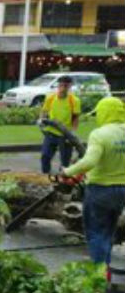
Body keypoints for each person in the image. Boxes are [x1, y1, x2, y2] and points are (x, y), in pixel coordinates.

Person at [62, 97, 125, 264]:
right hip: (122, 189)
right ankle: (107, 268)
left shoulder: (99, 134)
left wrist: (68, 172)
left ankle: (100, 273)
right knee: (109, 230)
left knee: (96, 231)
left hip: (100, 188)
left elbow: (90, 162)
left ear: (104, 113)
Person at [39, 76, 81, 174]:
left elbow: (75, 117)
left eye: (65, 86)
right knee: (45, 156)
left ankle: (63, 180)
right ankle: (45, 175)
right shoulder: (51, 98)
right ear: (58, 86)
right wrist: (41, 119)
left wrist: (73, 132)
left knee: (65, 161)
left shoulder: (74, 100)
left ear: (69, 87)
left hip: (65, 134)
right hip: (51, 132)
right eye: (61, 85)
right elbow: (44, 111)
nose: (62, 88)